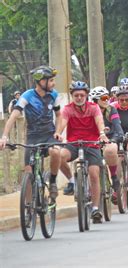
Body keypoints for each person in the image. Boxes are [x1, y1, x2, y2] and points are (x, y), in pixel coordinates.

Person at [0, 66, 61, 200]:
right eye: (50, 80)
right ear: (41, 82)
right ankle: (28, 207)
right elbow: (13, 116)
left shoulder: (54, 95)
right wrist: (4, 137)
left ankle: (52, 181)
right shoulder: (27, 95)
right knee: (28, 173)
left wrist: (57, 132)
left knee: (56, 152)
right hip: (32, 137)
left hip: (49, 135)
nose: (53, 83)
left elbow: (59, 115)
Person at [56, 81, 109, 223]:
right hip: (73, 143)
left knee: (93, 174)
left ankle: (95, 209)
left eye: (82, 95)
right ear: (72, 96)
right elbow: (62, 123)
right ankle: (73, 181)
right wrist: (58, 134)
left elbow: (100, 122)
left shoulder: (94, 108)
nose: (79, 98)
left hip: (92, 143)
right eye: (76, 95)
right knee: (60, 156)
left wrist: (102, 134)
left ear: (86, 96)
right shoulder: (67, 109)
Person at [89, 86, 124, 204]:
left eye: (107, 97)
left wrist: (115, 139)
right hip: (94, 139)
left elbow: (118, 126)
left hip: (111, 137)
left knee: (111, 150)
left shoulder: (111, 110)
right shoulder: (89, 111)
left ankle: (114, 177)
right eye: (103, 98)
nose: (106, 100)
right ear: (94, 101)